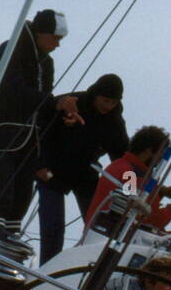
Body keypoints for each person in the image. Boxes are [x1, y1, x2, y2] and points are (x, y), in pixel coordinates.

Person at [0, 9, 81, 253]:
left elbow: (43, 101)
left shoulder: (47, 62)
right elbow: (12, 90)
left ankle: (8, 262)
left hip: (28, 141)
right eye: (55, 38)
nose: (57, 45)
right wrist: (55, 102)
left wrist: (62, 114)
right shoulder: (10, 50)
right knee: (2, 200)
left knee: (20, 203)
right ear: (40, 33)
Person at [34, 73, 130, 261]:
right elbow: (41, 133)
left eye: (113, 102)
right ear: (96, 95)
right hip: (52, 169)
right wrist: (40, 164)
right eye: (105, 100)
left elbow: (122, 156)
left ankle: (88, 266)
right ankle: (46, 270)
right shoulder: (70, 102)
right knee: (52, 227)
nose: (108, 106)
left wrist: (131, 185)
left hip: (85, 172)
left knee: (98, 227)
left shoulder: (115, 121)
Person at [83, 125, 171, 236]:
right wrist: (169, 213)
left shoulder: (124, 167)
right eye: (161, 154)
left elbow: (138, 200)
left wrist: (160, 192)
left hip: (117, 233)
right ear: (148, 151)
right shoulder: (130, 174)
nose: (161, 159)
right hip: (115, 236)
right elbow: (136, 218)